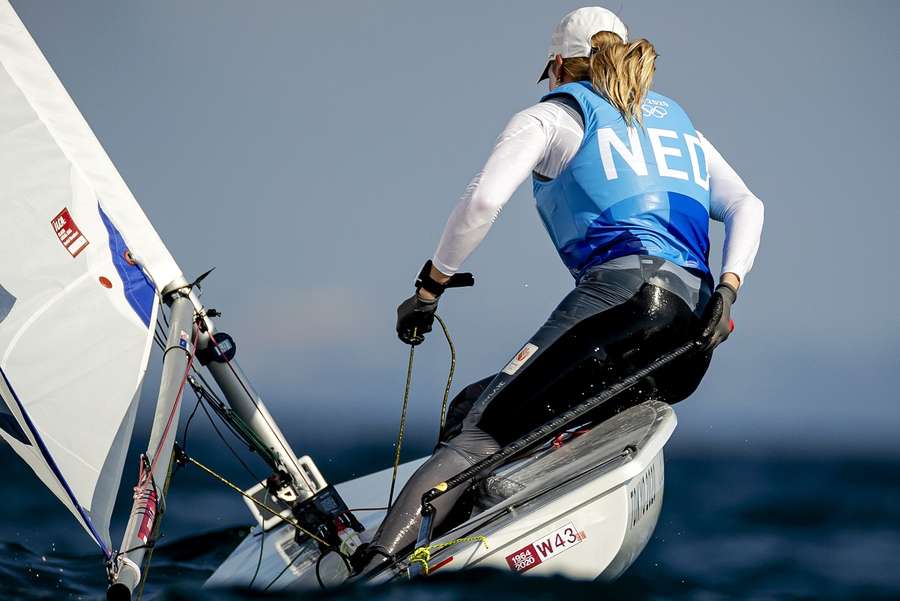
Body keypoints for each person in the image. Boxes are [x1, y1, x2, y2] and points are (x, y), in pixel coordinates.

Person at [358, 6, 764, 572]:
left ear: (556, 65)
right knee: (484, 404)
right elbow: (748, 204)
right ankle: (478, 520)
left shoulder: (552, 118)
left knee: (477, 430)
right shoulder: (679, 124)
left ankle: (375, 564)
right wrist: (729, 290)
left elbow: (481, 202)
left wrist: (431, 287)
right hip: (695, 338)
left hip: (625, 308)